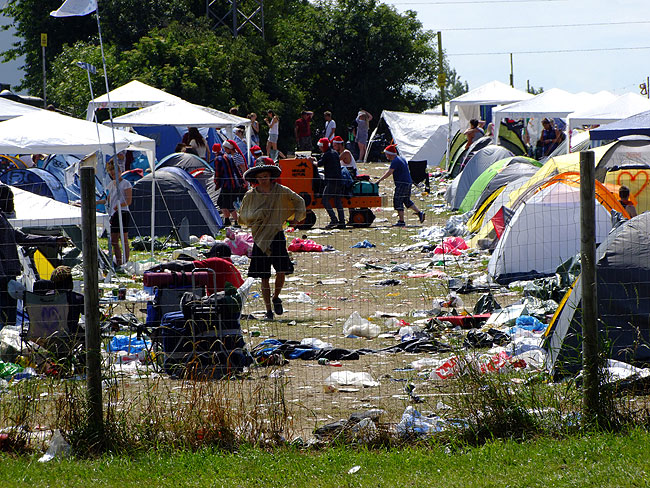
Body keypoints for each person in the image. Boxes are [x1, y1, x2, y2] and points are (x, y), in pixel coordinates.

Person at [238, 164, 306, 321]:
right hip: (260, 238)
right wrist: (258, 215)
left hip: (276, 234)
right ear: (256, 179)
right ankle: (268, 310)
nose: (263, 180)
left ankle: (276, 297)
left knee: (281, 270)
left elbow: (299, 201)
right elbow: (243, 215)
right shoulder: (250, 195)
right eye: (260, 177)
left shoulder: (281, 191)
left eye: (266, 176)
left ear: (270, 177)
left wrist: (296, 219)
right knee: (264, 276)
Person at [0, 185, 68, 328]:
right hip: (3, 278)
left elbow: (22, 237)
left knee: (9, 318)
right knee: (5, 318)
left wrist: (53, 240)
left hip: (8, 276)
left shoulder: (2, 217)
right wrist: (4, 278)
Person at [149, 242, 244, 295]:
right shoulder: (229, 265)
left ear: (217, 255)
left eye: (210, 256)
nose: (208, 259)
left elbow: (184, 266)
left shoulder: (217, 262)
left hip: (221, 304)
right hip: (228, 302)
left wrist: (162, 266)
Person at [376, 144, 425, 227]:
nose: (386, 156)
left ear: (390, 154)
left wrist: (379, 180)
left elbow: (389, 172)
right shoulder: (401, 158)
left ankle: (401, 221)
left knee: (397, 200)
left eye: (386, 154)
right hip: (408, 182)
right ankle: (419, 213)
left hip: (402, 184)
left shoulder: (395, 161)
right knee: (406, 200)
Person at [96, 159, 132, 268]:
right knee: (114, 240)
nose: (113, 174)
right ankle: (119, 262)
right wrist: (96, 202)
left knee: (124, 238)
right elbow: (108, 200)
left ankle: (125, 261)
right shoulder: (111, 185)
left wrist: (118, 206)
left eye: (114, 171)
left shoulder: (126, 184)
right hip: (113, 214)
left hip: (123, 213)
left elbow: (128, 201)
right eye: (110, 172)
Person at [314, 137, 346, 229]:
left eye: (320, 146)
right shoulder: (335, 153)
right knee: (337, 201)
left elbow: (319, 164)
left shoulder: (327, 154)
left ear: (323, 146)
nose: (320, 148)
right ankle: (342, 222)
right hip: (339, 180)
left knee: (324, 199)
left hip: (331, 181)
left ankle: (333, 219)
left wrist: (312, 161)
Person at [215, 141, 248, 227]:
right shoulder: (229, 157)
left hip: (227, 184)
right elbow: (236, 171)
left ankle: (234, 221)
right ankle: (228, 220)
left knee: (226, 203)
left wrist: (216, 182)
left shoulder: (219, 159)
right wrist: (241, 180)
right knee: (226, 203)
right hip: (235, 183)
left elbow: (218, 173)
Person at [50, 265, 84, 336]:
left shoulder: (46, 297)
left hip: (47, 334)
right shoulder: (77, 298)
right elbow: (92, 315)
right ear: (69, 283)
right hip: (70, 335)